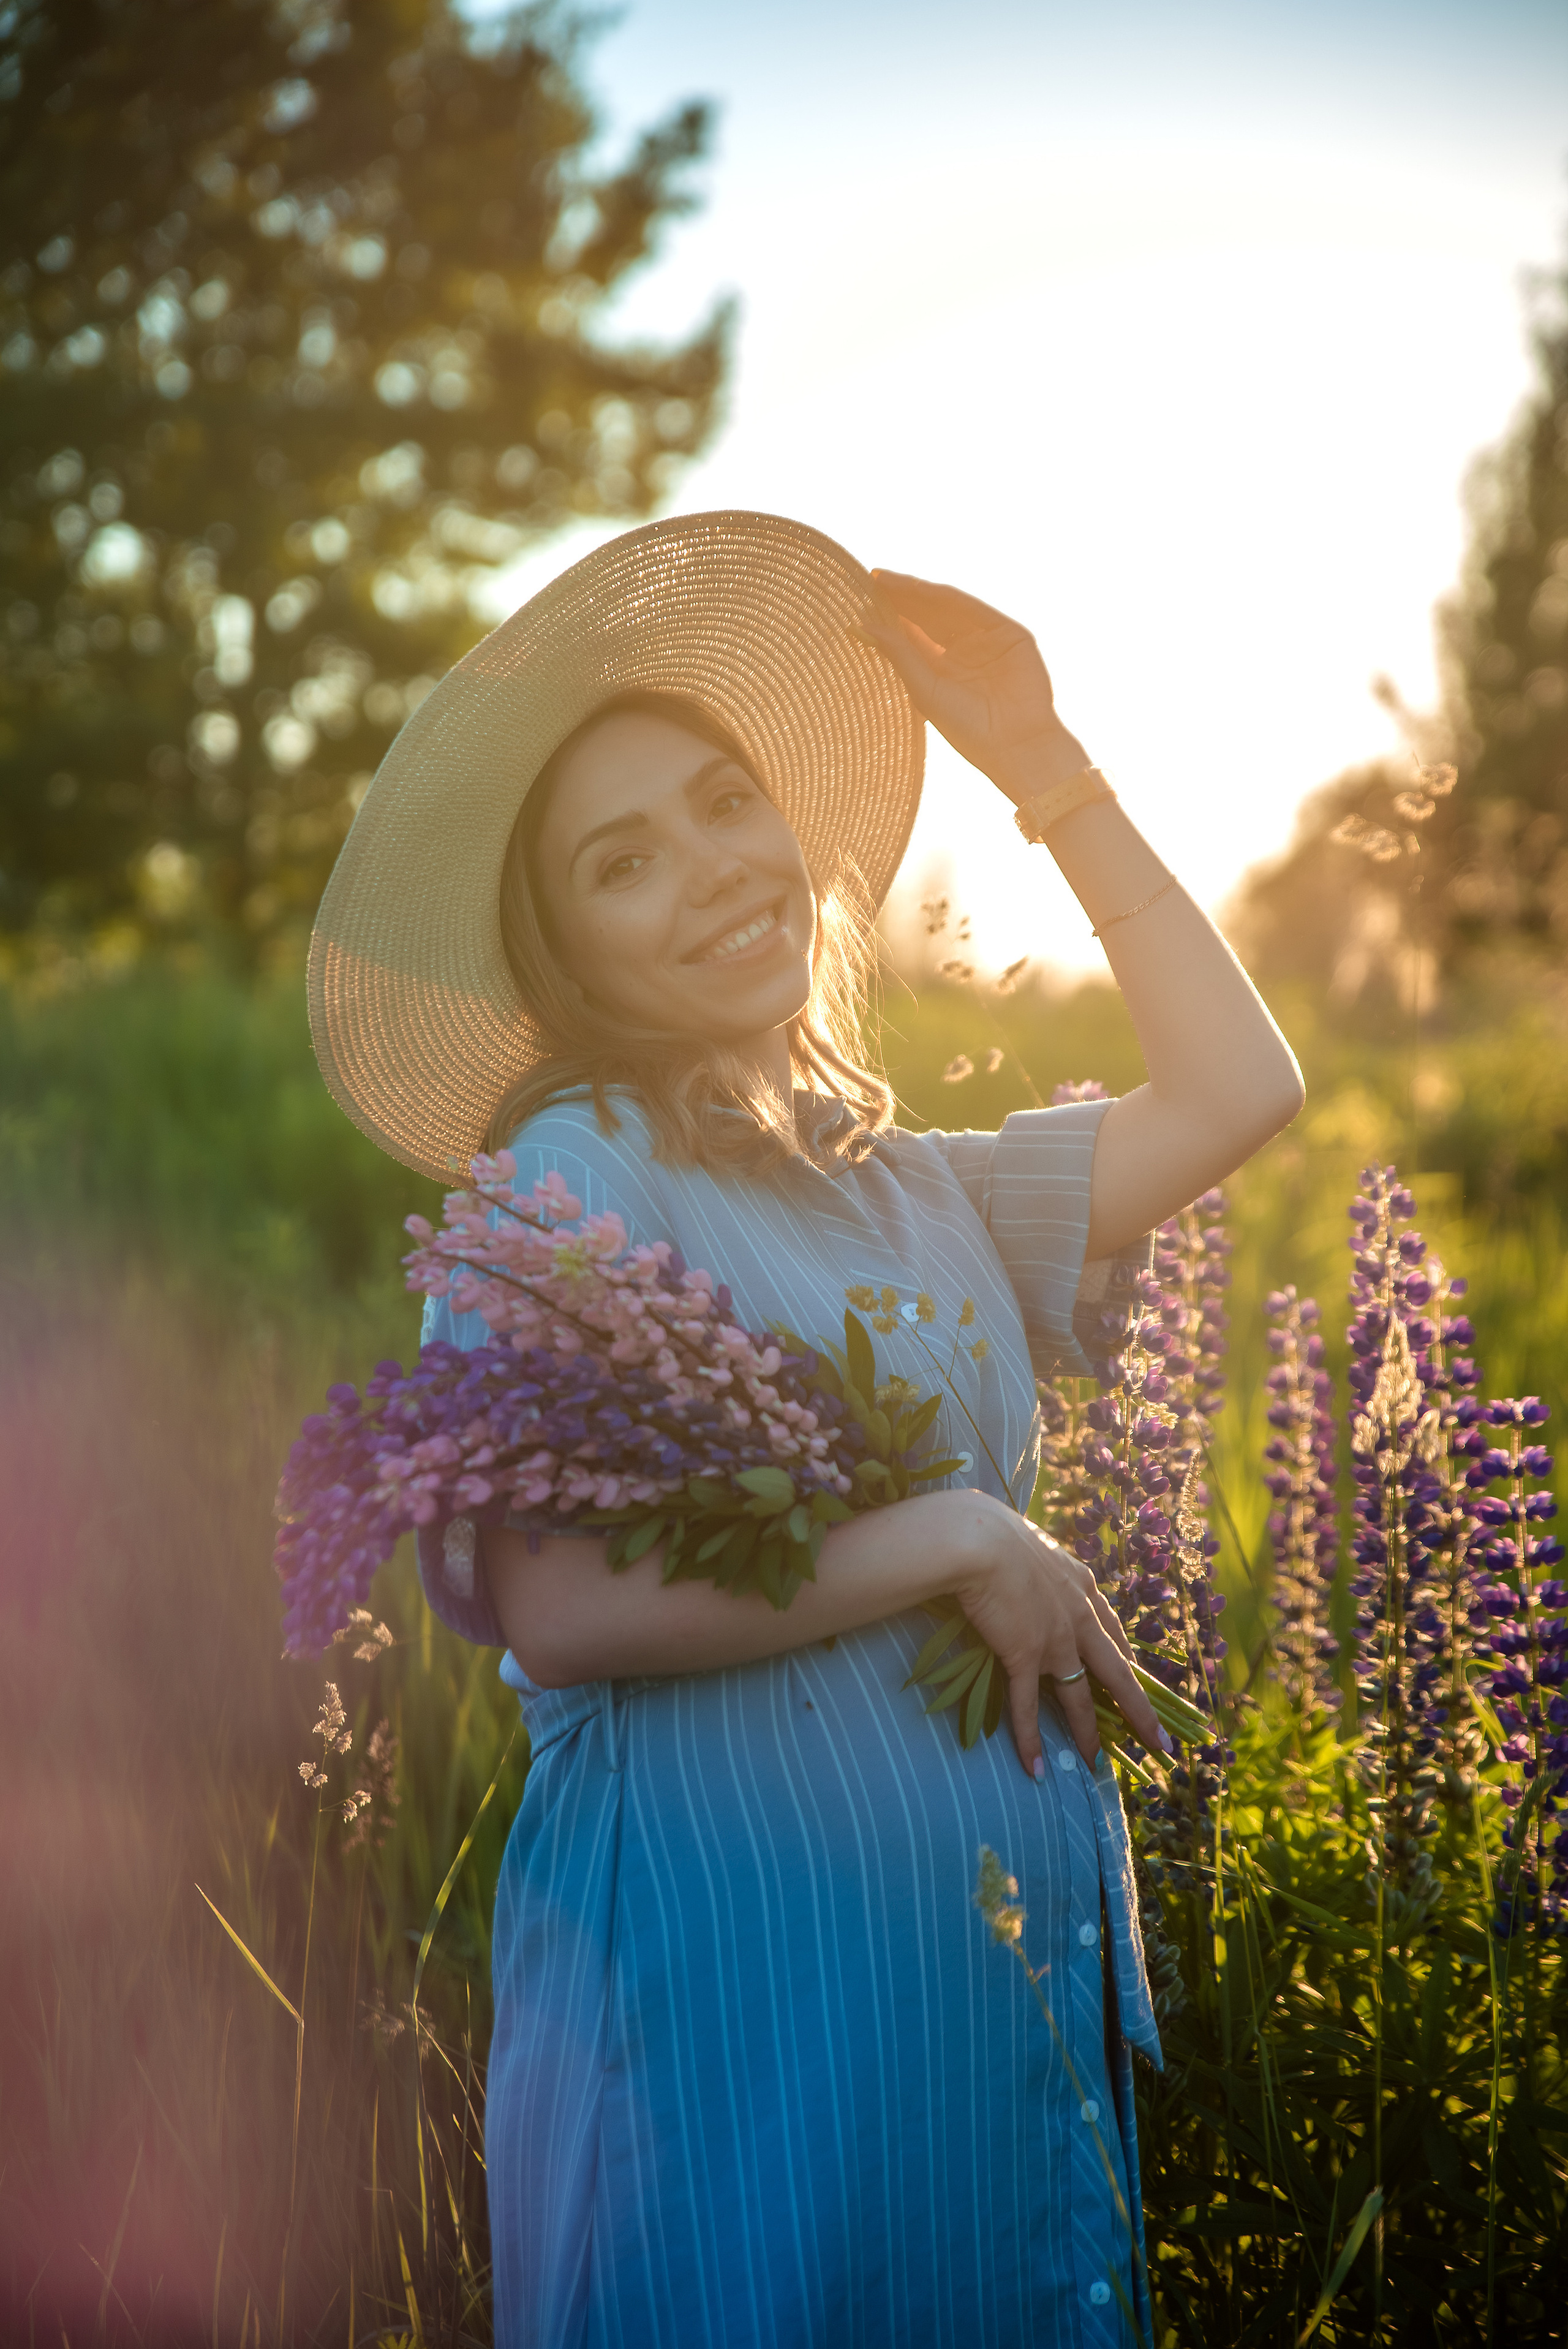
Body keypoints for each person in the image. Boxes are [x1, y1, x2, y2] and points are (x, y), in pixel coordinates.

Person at [307, 511, 1303, 2349]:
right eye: (624, 859)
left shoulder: (917, 1188)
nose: (708, 867)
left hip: (979, 2022)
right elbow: (565, 1607)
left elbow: (1244, 1084)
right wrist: (957, 1536)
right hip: (733, 2032)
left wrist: (1042, 763)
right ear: (567, 945)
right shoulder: (566, 1181)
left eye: (722, 802)